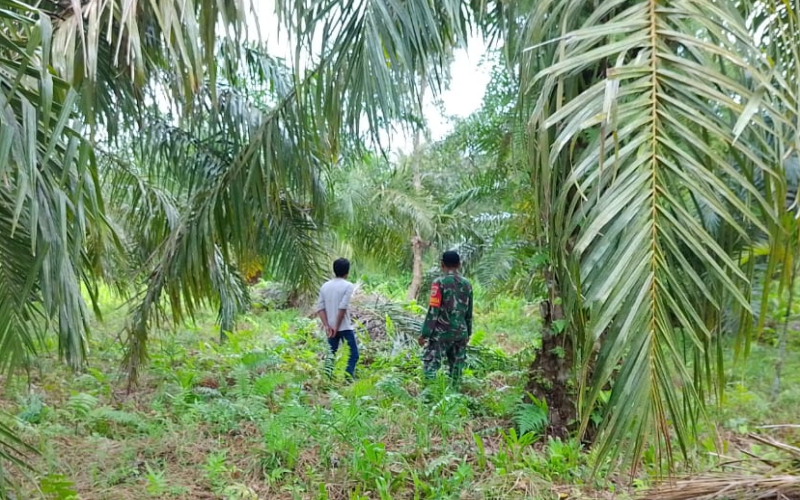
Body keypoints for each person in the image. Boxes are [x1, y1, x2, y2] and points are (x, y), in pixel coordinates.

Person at [418, 250, 473, 384]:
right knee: (456, 371)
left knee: (431, 368)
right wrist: (468, 333)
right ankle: (454, 394)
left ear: (442, 264)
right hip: (460, 333)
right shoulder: (467, 284)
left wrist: (425, 334)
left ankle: (430, 394)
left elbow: (433, 310)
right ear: (459, 264)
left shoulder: (439, 283)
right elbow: (469, 312)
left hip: (440, 334)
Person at [315, 258, 359, 380]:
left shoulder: (325, 286)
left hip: (330, 328)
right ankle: (348, 378)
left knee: (331, 355)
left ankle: (327, 379)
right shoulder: (348, 286)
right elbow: (342, 307)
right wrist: (336, 325)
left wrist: (327, 326)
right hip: (344, 326)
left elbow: (320, 308)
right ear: (347, 272)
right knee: (353, 354)